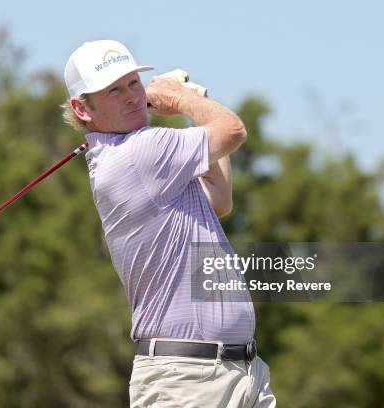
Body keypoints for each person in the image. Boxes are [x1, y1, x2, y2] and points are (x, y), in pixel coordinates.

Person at [63, 40, 276, 407]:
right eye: (114, 90)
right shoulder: (141, 152)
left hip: (241, 373)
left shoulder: (148, 157)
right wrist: (181, 101)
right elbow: (232, 131)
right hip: (187, 381)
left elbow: (220, 199)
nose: (132, 96)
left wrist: (194, 105)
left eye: (133, 83)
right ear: (83, 108)